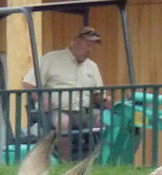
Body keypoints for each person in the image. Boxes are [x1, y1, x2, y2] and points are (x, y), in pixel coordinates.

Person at [22, 26, 111, 158]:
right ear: (74, 41)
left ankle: (98, 159)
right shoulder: (51, 59)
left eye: (92, 46)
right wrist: (42, 99)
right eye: (87, 45)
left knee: (107, 120)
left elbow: (96, 95)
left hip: (84, 112)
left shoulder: (92, 66)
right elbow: (28, 84)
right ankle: (65, 162)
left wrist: (104, 100)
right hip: (57, 110)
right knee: (63, 123)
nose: (89, 50)